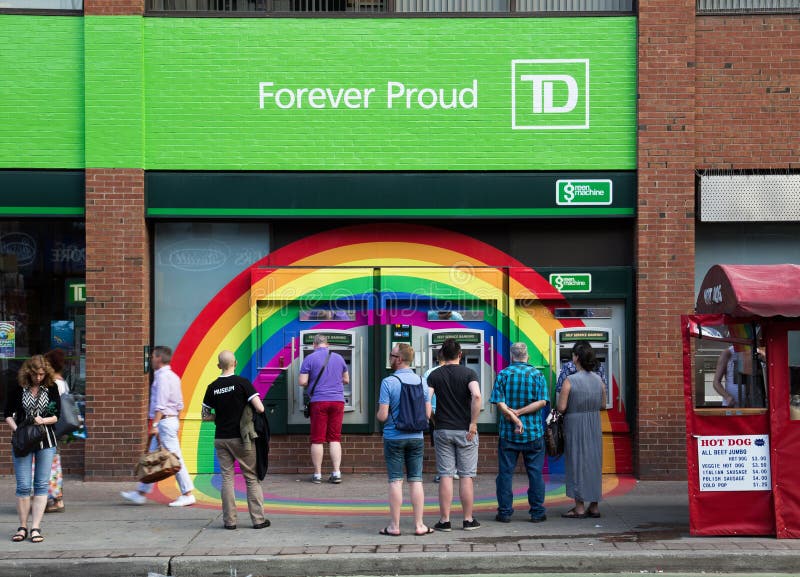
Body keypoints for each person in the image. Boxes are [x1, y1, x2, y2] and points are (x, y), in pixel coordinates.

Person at [201, 350, 270, 530]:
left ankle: (230, 521)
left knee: (227, 478)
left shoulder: (212, 387)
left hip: (221, 439)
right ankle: (258, 520)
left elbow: (205, 415)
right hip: (242, 439)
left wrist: (219, 417)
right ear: (236, 363)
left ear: (218, 366)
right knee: (251, 478)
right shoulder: (242, 383)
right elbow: (260, 408)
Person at [121, 346, 195, 507]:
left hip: (163, 422)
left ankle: (188, 493)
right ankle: (141, 493)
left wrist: (155, 424)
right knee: (152, 459)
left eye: (153, 356)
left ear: (159, 358)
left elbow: (160, 405)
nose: (151, 359)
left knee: (175, 458)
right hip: (169, 420)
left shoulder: (161, 378)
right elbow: (180, 403)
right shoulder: (174, 377)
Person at [376, 343, 433, 536]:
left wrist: (381, 415)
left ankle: (394, 526)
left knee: (395, 481)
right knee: (416, 480)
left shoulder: (388, 382)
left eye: (392, 355)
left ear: (399, 359)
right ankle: (419, 525)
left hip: (394, 437)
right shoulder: (421, 380)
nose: (390, 359)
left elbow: (382, 416)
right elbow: (427, 413)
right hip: (416, 437)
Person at [426, 338, 482, 531]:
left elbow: (426, 401)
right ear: (460, 355)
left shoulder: (435, 375)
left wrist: (434, 420)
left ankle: (445, 520)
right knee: (466, 476)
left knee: (446, 476)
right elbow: (476, 396)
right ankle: (467, 520)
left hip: (442, 429)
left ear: (442, 354)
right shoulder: (470, 373)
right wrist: (473, 423)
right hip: (466, 431)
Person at [489, 342, 549, 524]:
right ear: (527, 355)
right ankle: (537, 512)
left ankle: (505, 513)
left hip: (508, 434)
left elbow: (499, 403)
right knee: (535, 474)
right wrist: (521, 413)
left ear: (512, 356)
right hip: (534, 433)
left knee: (505, 474)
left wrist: (514, 414)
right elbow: (543, 402)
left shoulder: (504, 374)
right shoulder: (537, 375)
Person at [5, 355, 61, 543]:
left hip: (46, 440)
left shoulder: (51, 388)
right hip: (23, 441)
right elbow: (7, 414)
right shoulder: (18, 388)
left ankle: (36, 527)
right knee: (23, 486)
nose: (39, 378)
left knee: (41, 485)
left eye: (42, 374)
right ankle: (22, 527)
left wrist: (43, 420)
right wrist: (18, 429)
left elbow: (57, 416)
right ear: (29, 372)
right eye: (36, 374)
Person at [557, 340, 605, 519]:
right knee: (594, 462)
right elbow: (602, 405)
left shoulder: (570, 381)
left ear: (576, 358)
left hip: (575, 424)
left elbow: (561, 407)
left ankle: (579, 507)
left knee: (577, 462)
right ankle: (594, 506)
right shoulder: (599, 379)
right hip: (593, 422)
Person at [299, 334, 350, 484]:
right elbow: (346, 379)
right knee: (334, 438)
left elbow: (302, 381)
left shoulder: (309, 359)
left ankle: (317, 474)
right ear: (327, 344)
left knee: (317, 439)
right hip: (338, 402)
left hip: (319, 401)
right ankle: (336, 473)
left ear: (314, 345)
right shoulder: (339, 358)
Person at [43, 348, 69, 513]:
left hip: (50, 429)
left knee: (51, 464)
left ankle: (56, 499)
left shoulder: (54, 385)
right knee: (53, 462)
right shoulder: (63, 382)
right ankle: (51, 498)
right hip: (57, 429)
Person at [422, 349, 446, 483]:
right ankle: (453, 471)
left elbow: (426, 397)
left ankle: (442, 473)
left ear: (437, 358)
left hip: (435, 413)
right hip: (455, 414)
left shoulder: (429, 373)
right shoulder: (462, 371)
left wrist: (431, 417)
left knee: (439, 445)